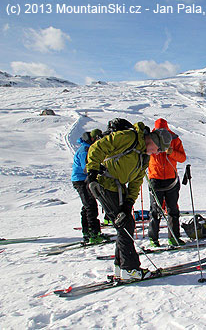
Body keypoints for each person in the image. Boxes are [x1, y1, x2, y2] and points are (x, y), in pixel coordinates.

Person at [86, 122, 172, 280]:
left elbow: (136, 182)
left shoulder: (144, 157)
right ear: (153, 140)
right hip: (104, 184)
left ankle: (122, 267)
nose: (157, 152)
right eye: (159, 149)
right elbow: (97, 147)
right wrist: (92, 172)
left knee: (126, 224)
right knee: (125, 226)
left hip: (118, 189)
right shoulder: (129, 137)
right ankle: (129, 269)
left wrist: (128, 204)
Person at [147, 118, 186, 247]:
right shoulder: (149, 139)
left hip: (171, 179)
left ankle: (174, 237)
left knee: (173, 210)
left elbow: (182, 158)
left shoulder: (174, 140)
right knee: (155, 210)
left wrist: (172, 152)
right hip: (155, 179)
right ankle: (153, 239)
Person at [71, 129, 105, 243]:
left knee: (87, 206)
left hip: (83, 179)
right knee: (90, 206)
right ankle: (93, 234)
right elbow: (86, 168)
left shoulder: (89, 148)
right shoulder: (85, 150)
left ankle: (88, 232)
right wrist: (99, 169)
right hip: (81, 180)